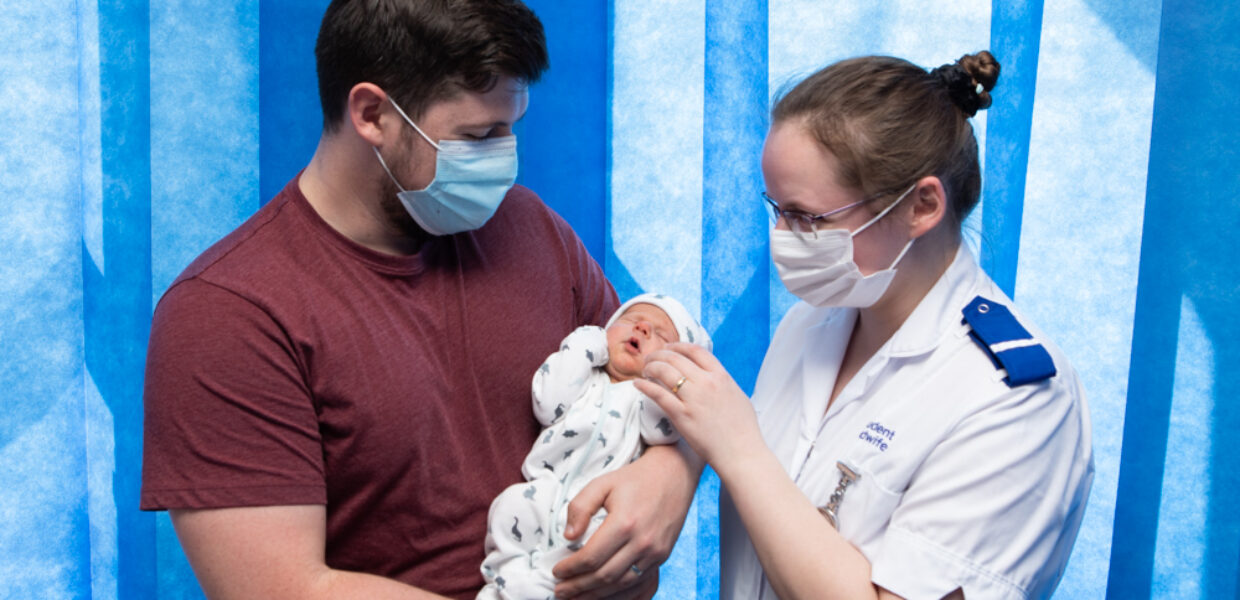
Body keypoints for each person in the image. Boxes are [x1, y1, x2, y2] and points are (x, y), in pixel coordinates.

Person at [139, 2, 699, 599]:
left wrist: (674, 473)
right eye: (479, 136)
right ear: (372, 113)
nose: (506, 159)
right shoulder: (229, 315)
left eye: (510, 128)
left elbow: (655, 389)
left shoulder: (532, 229)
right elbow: (281, 588)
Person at [637, 51, 1094, 599]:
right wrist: (672, 462)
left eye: (808, 217)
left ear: (921, 206)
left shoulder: (1018, 402)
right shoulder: (811, 324)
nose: (782, 236)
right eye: (776, 208)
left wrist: (738, 452)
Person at [480, 293, 712, 599]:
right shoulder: (584, 379)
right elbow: (548, 405)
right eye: (631, 320)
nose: (642, 328)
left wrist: (664, 378)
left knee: (591, 545)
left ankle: (546, 589)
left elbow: (663, 430)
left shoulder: (644, 401)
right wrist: (582, 347)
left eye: (661, 334)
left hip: (598, 508)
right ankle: (505, 580)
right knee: (512, 506)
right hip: (544, 487)